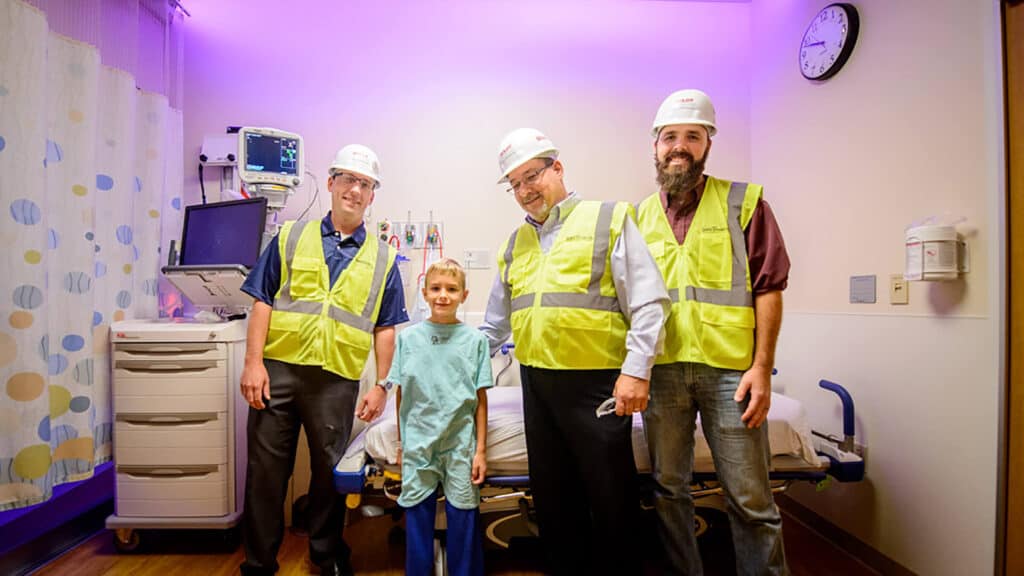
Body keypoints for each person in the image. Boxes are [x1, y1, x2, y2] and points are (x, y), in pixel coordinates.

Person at [479, 128, 669, 575]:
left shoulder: (608, 219)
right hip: (537, 383)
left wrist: (637, 373)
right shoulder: (514, 243)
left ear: (557, 168)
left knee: (610, 496)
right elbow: (492, 325)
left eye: (533, 176)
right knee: (553, 497)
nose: (526, 190)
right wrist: (447, 366)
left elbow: (649, 302)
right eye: (516, 184)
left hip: (597, 384)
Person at [635, 89, 791, 575]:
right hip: (663, 373)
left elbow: (769, 287)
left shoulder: (744, 203)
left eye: (692, 136)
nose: (679, 146)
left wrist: (762, 368)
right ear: (656, 146)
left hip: (732, 374)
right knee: (669, 490)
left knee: (749, 498)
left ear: (707, 144)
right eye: (670, 137)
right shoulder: (637, 217)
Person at [237, 144, 408, 576]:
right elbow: (262, 301)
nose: (354, 189)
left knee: (328, 474)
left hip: (335, 381)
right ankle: (258, 563)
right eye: (347, 179)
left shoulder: (385, 259)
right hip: (277, 373)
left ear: (372, 195)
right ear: (331, 184)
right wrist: (252, 363)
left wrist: (381, 385)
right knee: (265, 476)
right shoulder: (290, 236)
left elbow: (385, 328)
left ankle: (326, 554)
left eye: (364, 183)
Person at [386, 258, 491, 576]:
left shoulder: (476, 341)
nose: (443, 295)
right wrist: (403, 443)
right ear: (424, 292)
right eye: (436, 288)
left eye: (451, 289)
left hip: (459, 443)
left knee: (463, 515)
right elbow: (401, 395)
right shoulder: (408, 339)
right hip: (419, 442)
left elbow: (481, 399)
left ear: (464, 295)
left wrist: (480, 450)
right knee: (417, 518)